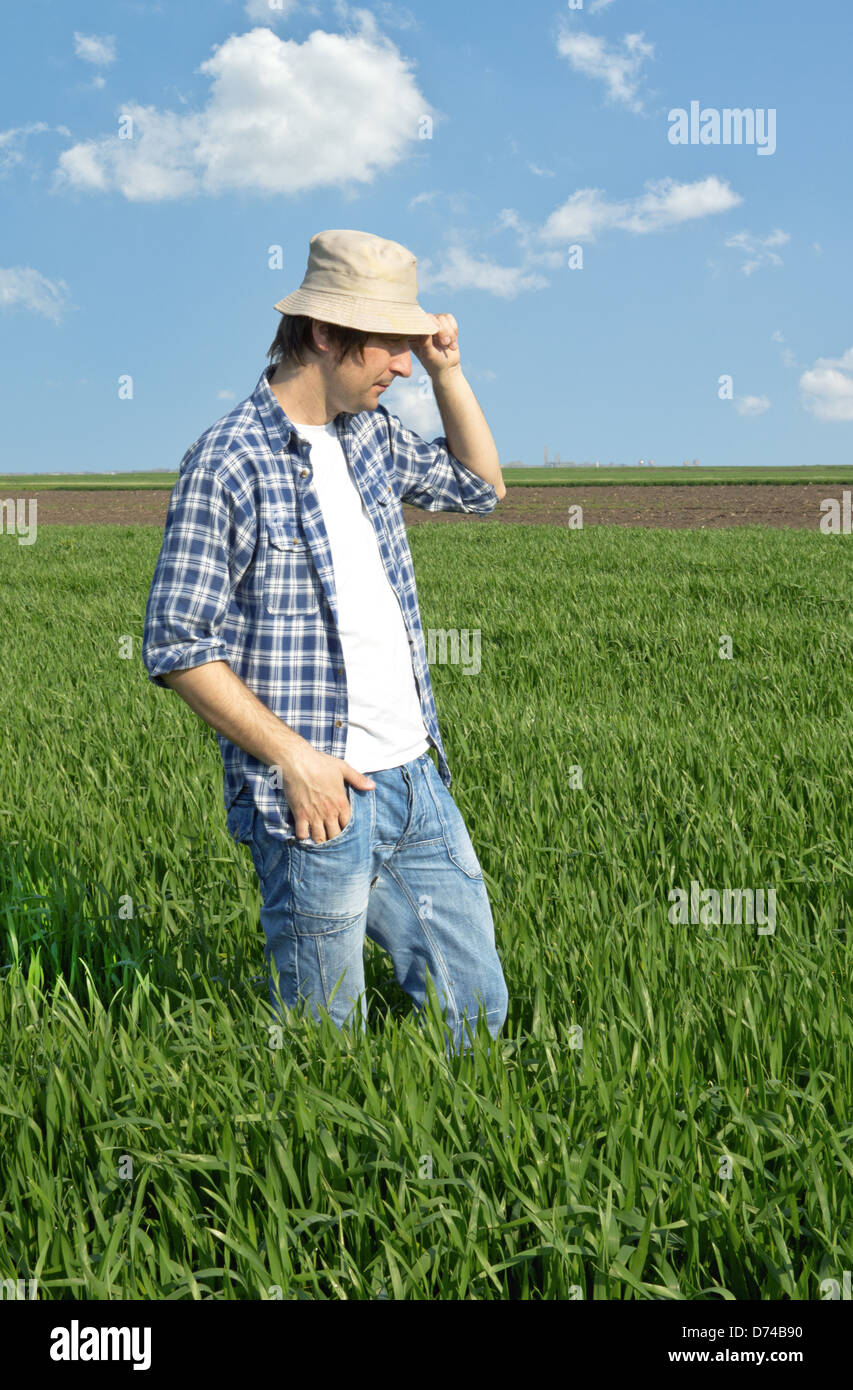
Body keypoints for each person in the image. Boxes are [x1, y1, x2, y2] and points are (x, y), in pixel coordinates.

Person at [142, 228, 509, 1054]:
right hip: (317, 797)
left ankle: (465, 1165)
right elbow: (176, 643)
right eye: (391, 346)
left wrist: (450, 370)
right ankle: (323, 1181)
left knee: (477, 1016)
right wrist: (295, 760)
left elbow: (481, 490)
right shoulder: (228, 461)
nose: (403, 368)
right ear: (322, 334)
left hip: (416, 777)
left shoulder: (370, 436)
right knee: (324, 1038)